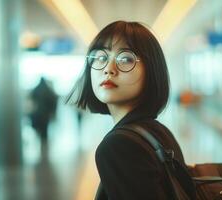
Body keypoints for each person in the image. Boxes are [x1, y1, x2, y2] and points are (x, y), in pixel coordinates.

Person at [67, 21, 190, 200]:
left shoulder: (119, 146)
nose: (109, 69)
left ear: (151, 70)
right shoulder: (157, 132)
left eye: (126, 59)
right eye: (101, 57)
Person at [29, 77, 58, 153]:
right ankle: (44, 147)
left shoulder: (36, 89)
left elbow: (31, 100)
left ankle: (41, 145)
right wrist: (52, 112)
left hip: (38, 114)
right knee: (45, 131)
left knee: (39, 130)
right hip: (46, 115)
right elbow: (53, 101)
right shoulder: (48, 90)